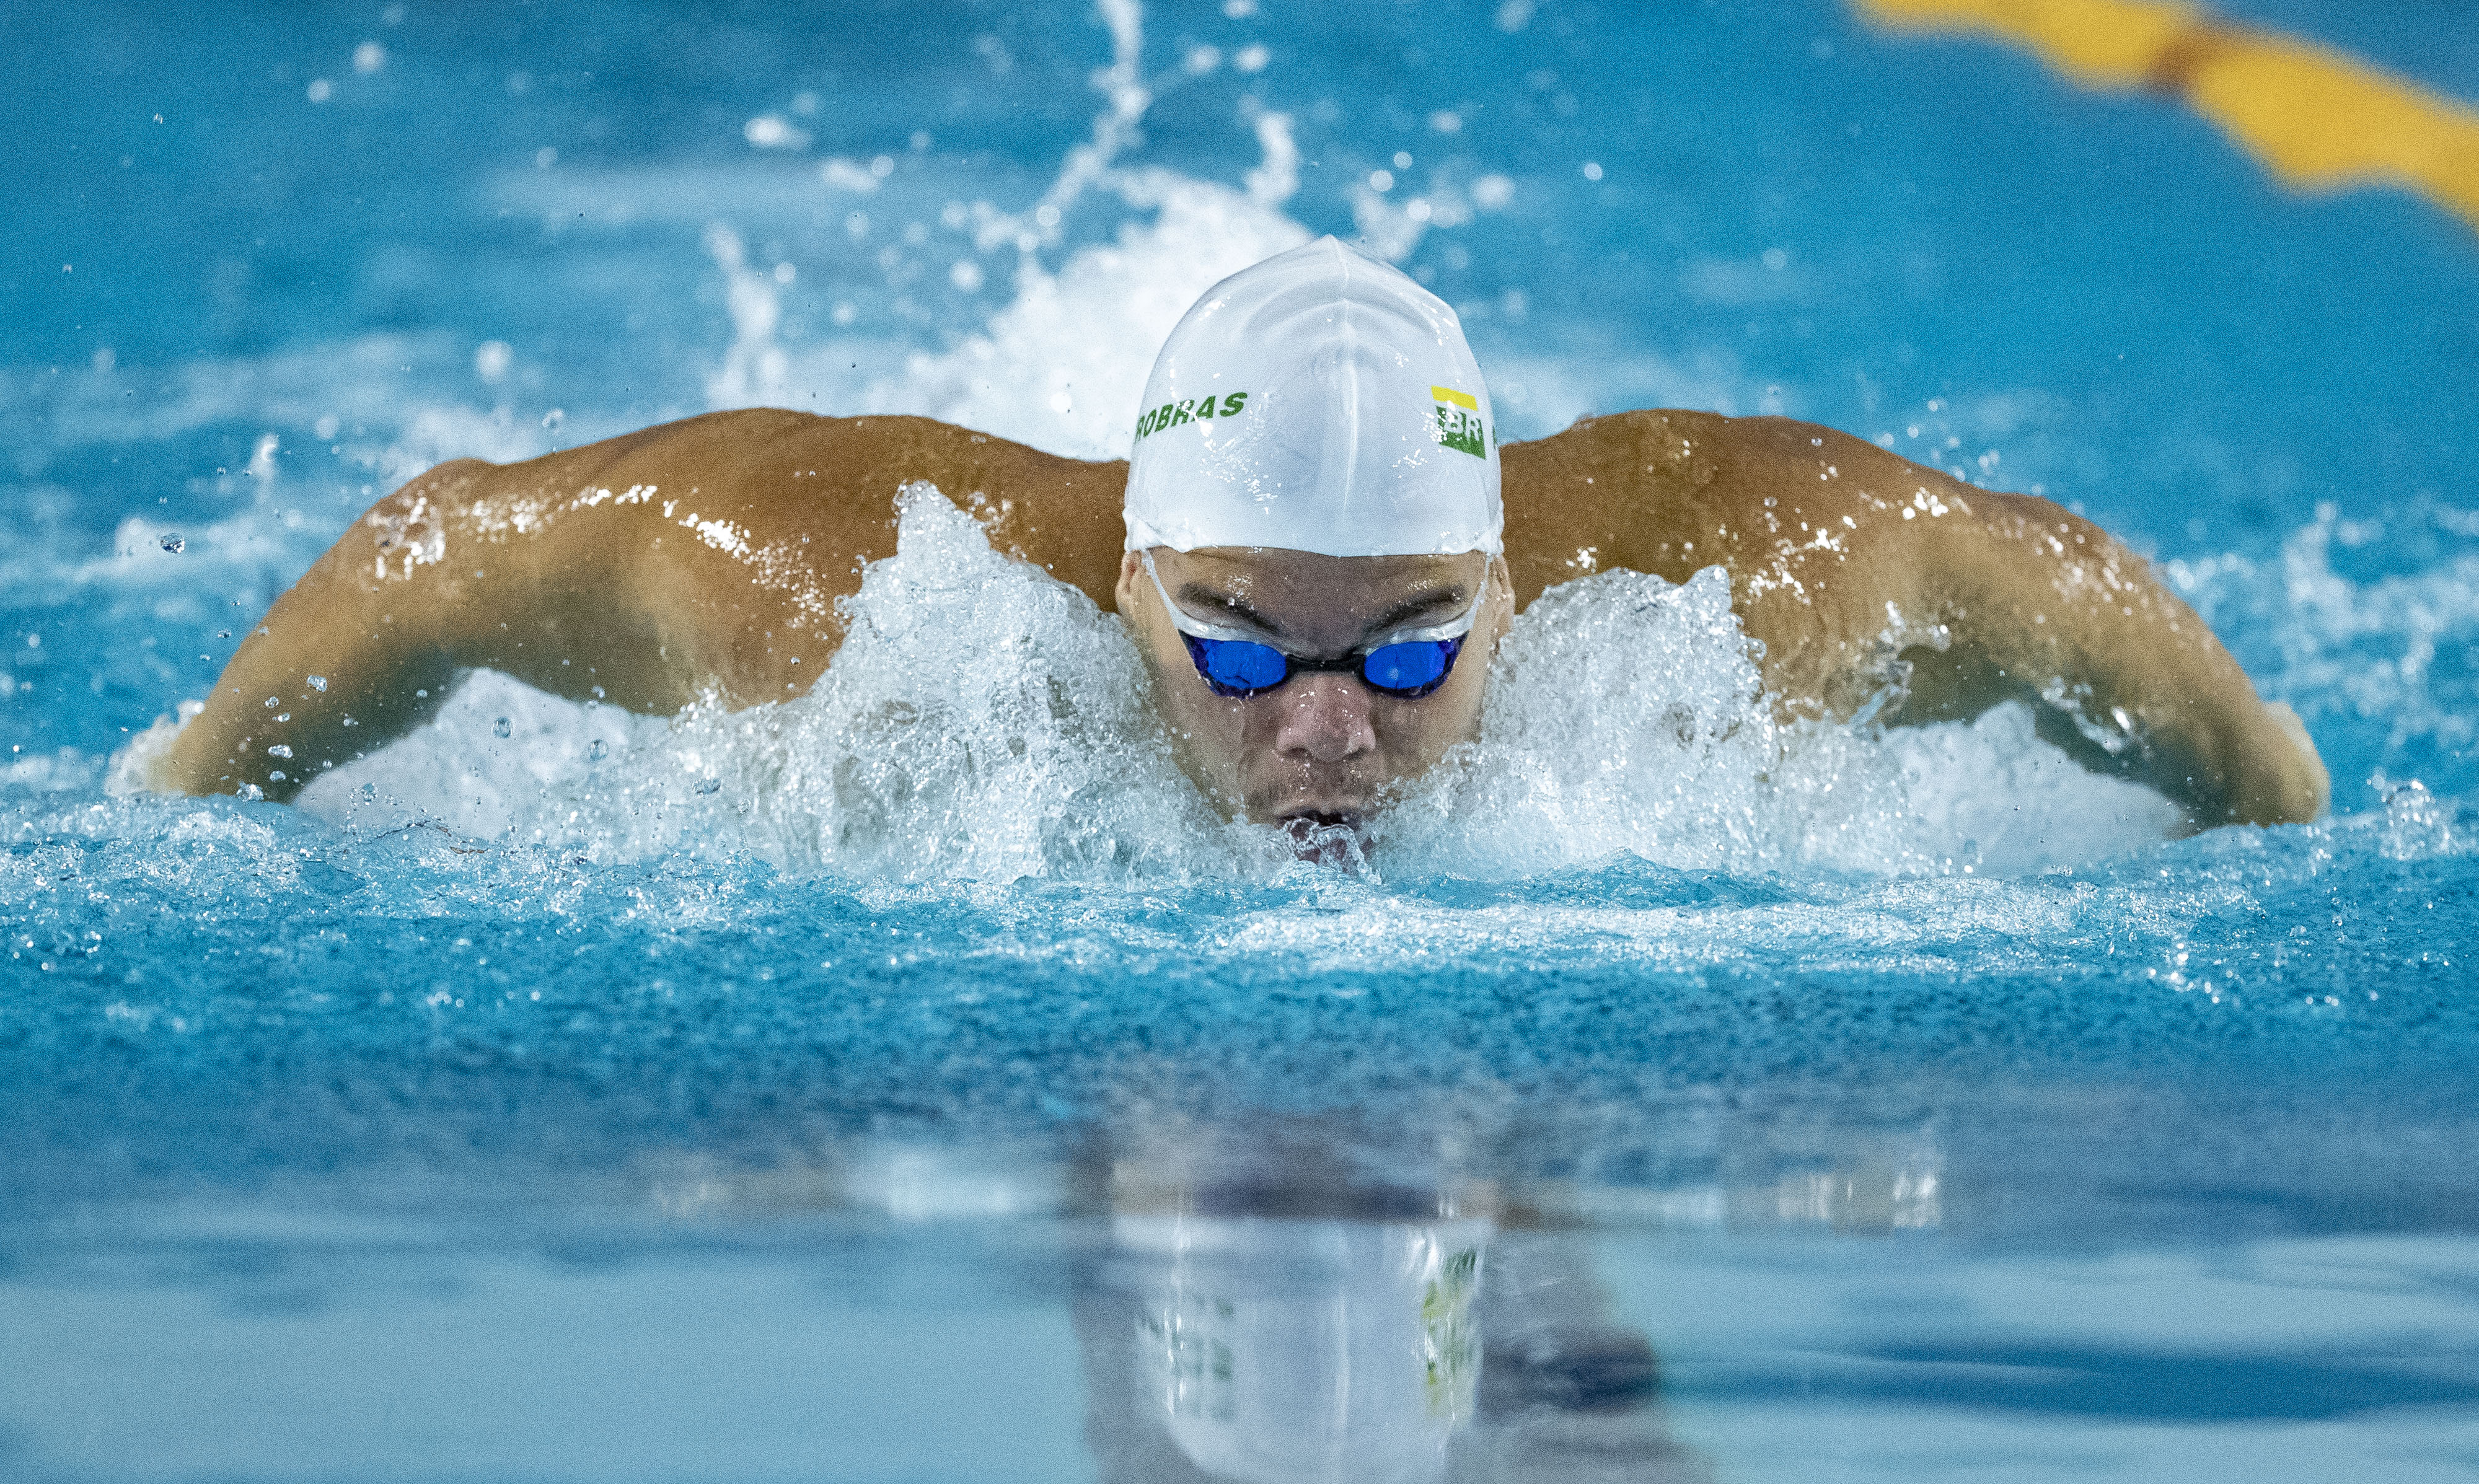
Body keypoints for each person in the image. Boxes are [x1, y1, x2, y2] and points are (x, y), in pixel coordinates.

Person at [142, 237, 2328, 833]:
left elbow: (2109, 627)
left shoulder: (1749, 604)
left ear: (1501, 592)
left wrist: (2266, 807)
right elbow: (443, 548)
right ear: (1126, 577)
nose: (1324, 739)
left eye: (1404, 655)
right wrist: (182, 793)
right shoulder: (845, 607)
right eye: (1242, 650)